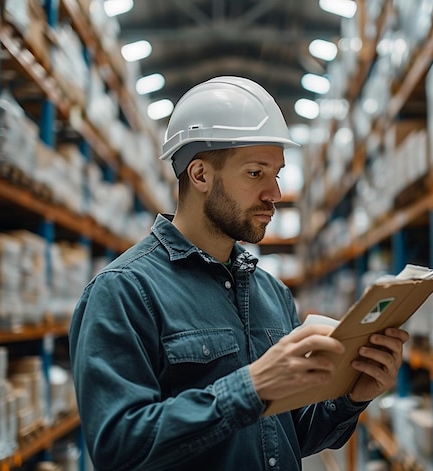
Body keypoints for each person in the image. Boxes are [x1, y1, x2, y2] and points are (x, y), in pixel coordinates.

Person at [69, 76, 409, 470]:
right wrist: (251, 387)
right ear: (199, 175)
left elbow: (290, 437)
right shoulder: (124, 291)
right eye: (255, 173)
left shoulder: (272, 293)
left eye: (277, 173)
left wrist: (352, 398)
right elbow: (117, 448)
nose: (274, 194)